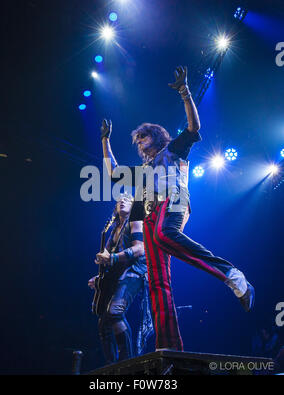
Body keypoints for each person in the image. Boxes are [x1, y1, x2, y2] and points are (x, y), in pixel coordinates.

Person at [100, 65, 255, 352]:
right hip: (152, 213)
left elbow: (195, 128)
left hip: (175, 200)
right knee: (158, 282)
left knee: (163, 234)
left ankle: (233, 276)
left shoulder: (172, 150)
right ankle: (169, 347)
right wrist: (105, 140)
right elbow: (113, 172)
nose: (138, 144)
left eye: (142, 138)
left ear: (155, 137)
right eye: (136, 141)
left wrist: (185, 92)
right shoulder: (143, 172)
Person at [88, 193, 153, 364]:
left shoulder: (135, 221)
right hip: (119, 273)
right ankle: (112, 367)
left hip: (136, 270)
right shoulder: (114, 230)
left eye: (127, 200)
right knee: (103, 323)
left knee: (115, 311)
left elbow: (140, 249)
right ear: (116, 208)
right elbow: (108, 259)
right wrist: (100, 277)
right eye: (119, 200)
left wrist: (112, 258)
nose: (122, 201)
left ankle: (127, 363)